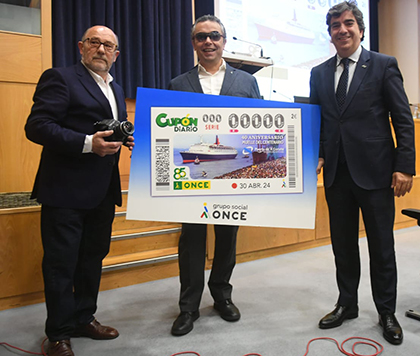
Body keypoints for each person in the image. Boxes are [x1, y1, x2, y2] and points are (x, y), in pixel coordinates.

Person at [310, 1, 415, 346]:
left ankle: (386, 311)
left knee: (382, 247)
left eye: (348, 23)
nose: (342, 29)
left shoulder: (383, 65)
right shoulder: (320, 72)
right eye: (335, 25)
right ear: (330, 33)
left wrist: (405, 166)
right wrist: (317, 155)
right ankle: (347, 304)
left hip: (376, 172)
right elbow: (317, 122)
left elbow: (402, 119)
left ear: (360, 28)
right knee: (343, 245)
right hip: (337, 175)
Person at [25, 25, 134, 356]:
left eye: (108, 46)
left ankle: (84, 318)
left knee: (91, 259)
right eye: (95, 43)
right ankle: (58, 334)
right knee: (61, 264)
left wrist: (122, 139)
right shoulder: (60, 78)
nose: (101, 50)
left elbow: (103, 129)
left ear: (116, 54)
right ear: (81, 46)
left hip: (101, 191)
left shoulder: (114, 88)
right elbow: (37, 126)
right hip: (65, 191)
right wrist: (88, 144)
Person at [168, 14, 261, 336]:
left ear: (223, 41)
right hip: (190, 179)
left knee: (227, 238)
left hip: (231, 176)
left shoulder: (246, 82)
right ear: (193, 43)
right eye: (201, 36)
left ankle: (222, 296)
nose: (208, 41)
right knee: (191, 241)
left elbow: (262, 127)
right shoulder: (177, 84)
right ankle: (188, 307)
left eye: (215, 36)